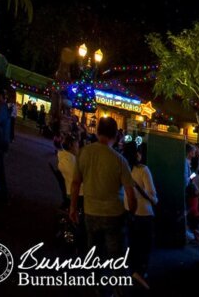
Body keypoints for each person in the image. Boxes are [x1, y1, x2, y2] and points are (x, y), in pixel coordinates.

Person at [69, 117, 137, 287]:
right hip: (114, 214)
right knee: (117, 257)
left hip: (90, 212)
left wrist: (72, 207)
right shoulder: (119, 160)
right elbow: (130, 193)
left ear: (98, 131)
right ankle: (118, 290)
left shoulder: (85, 152)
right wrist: (131, 213)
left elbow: (76, 183)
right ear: (116, 135)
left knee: (94, 253)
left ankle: (98, 287)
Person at [123, 141, 157, 286]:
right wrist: (155, 200)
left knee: (133, 242)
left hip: (129, 210)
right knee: (145, 244)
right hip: (143, 212)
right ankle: (141, 272)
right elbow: (152, 194)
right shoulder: (143, 169)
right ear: (137, 153)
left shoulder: (124, 168)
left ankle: (134, 270)